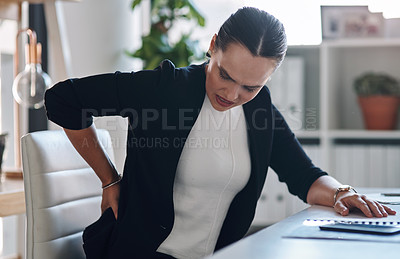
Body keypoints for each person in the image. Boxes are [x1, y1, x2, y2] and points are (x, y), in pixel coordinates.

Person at [44, 7, 396, 259]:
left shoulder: (258, 109)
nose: (232, 95)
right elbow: (63, 99)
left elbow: (302, 174)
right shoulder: (165, 88)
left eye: (250, 86)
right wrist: (108, 179)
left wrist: (341, 194)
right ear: (213, 45)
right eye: (225, 75)